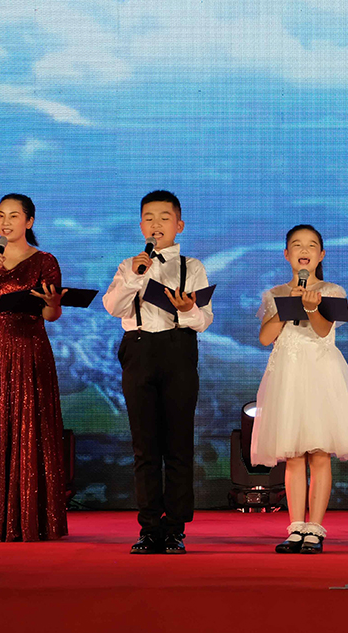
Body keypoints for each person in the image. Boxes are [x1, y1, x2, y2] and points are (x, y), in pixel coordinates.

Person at [102, 190, 212, 554]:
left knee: (178, 444)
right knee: (145, 446)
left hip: (178, 349)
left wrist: (188, 310)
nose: (156, 224)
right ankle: (149, 528)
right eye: (149, 218)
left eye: (165, 218)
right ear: (141, 226)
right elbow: (112, 306)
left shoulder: (192, 267)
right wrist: (136, 277)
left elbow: (204, 320)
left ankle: (175, 528)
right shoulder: (128, 266)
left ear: (179, 225)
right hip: (138, 349)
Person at [0, 193, 67, 542]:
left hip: (31, 348)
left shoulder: (45, 261)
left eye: (14, 216)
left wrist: (52, 302)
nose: (6, 222)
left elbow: (51, 314)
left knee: (32, 425)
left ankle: (33, 518)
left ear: (29, 222)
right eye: (1, 215)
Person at [252, 224, 348, 554]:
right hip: (287, 376)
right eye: (297, 245)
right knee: (293, 455)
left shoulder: (332, 290)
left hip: (320, 375)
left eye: (312, 245)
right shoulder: (275, 293)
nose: (304, 250)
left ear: (321, 255)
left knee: (319, 453)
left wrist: (312, 306)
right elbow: (265, 337)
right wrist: (287, 303)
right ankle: (295, 527)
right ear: (287, 254)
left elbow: (323, 330)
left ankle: (315, 528)